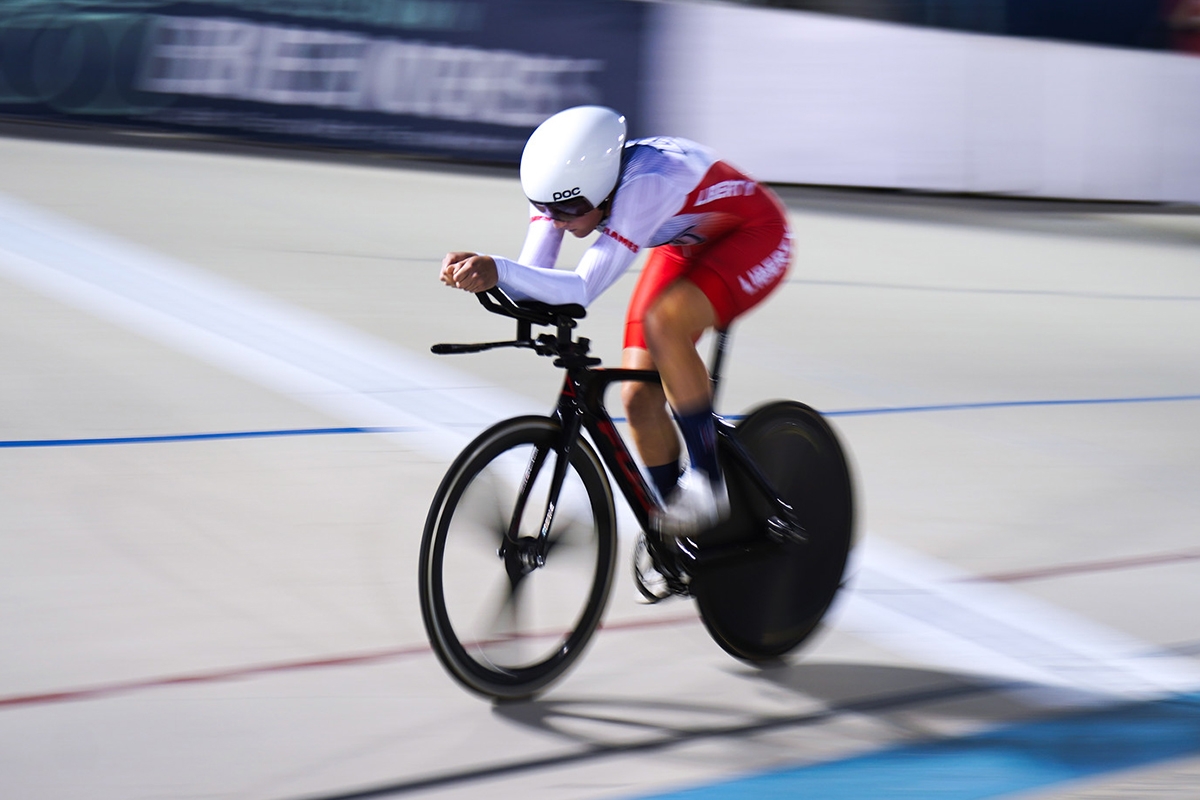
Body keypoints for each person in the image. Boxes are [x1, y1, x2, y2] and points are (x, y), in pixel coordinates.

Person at [440, 105, 792, 541]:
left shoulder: (646, 185)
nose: (557, 221)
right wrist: (480, 273)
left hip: (754, 236)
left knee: (665, 325)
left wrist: (500, 270)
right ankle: (676, 530)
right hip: (683, 243)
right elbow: (531, 278)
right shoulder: (566, 193)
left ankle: (707, 481)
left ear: (605, 191)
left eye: (568, 210)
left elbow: (581, 288)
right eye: (545, 209)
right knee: (637, 398)